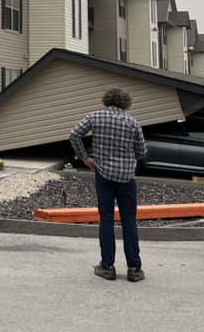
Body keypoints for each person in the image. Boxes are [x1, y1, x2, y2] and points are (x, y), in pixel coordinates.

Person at [68, 88, 147, 282]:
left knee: (106, 219)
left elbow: (74, 134)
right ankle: (134, 268)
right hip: (127, 177)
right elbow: (142, 151)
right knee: (129, 220)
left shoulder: (95, 117)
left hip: (103, 174)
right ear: (125, 103)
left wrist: (86, 158)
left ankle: (107, 266)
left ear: (107, 100)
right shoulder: (132, 122)